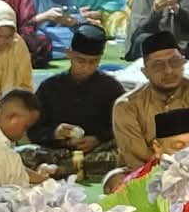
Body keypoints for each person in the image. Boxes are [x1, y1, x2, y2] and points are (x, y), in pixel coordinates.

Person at [26, 26, 119, 175]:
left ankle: (63, 170)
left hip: (96, 152)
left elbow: (121, 126)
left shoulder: (111, 87)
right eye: (81, 61)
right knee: (25, 153)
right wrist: (54, 133)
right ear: (69, 54)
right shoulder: (50, 87)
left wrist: (98, 139)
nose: (87, 67)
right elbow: (33, 129)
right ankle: (68, 168)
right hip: (57, 151)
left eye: (93, 62)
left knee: (118, 155)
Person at [111, 32, 189, 168]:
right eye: (158, 66)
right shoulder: (128, 106)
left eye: (175, 62)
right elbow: (136, 158)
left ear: (183, 63)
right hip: (146, 172)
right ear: (145, 72)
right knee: (114, 180)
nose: (169, 71)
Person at [0, 89, 56, 187]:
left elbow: (14, 168)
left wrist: (41, 178)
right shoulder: (2, 153)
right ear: (13, 118)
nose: (25, 133)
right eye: (26, 127)